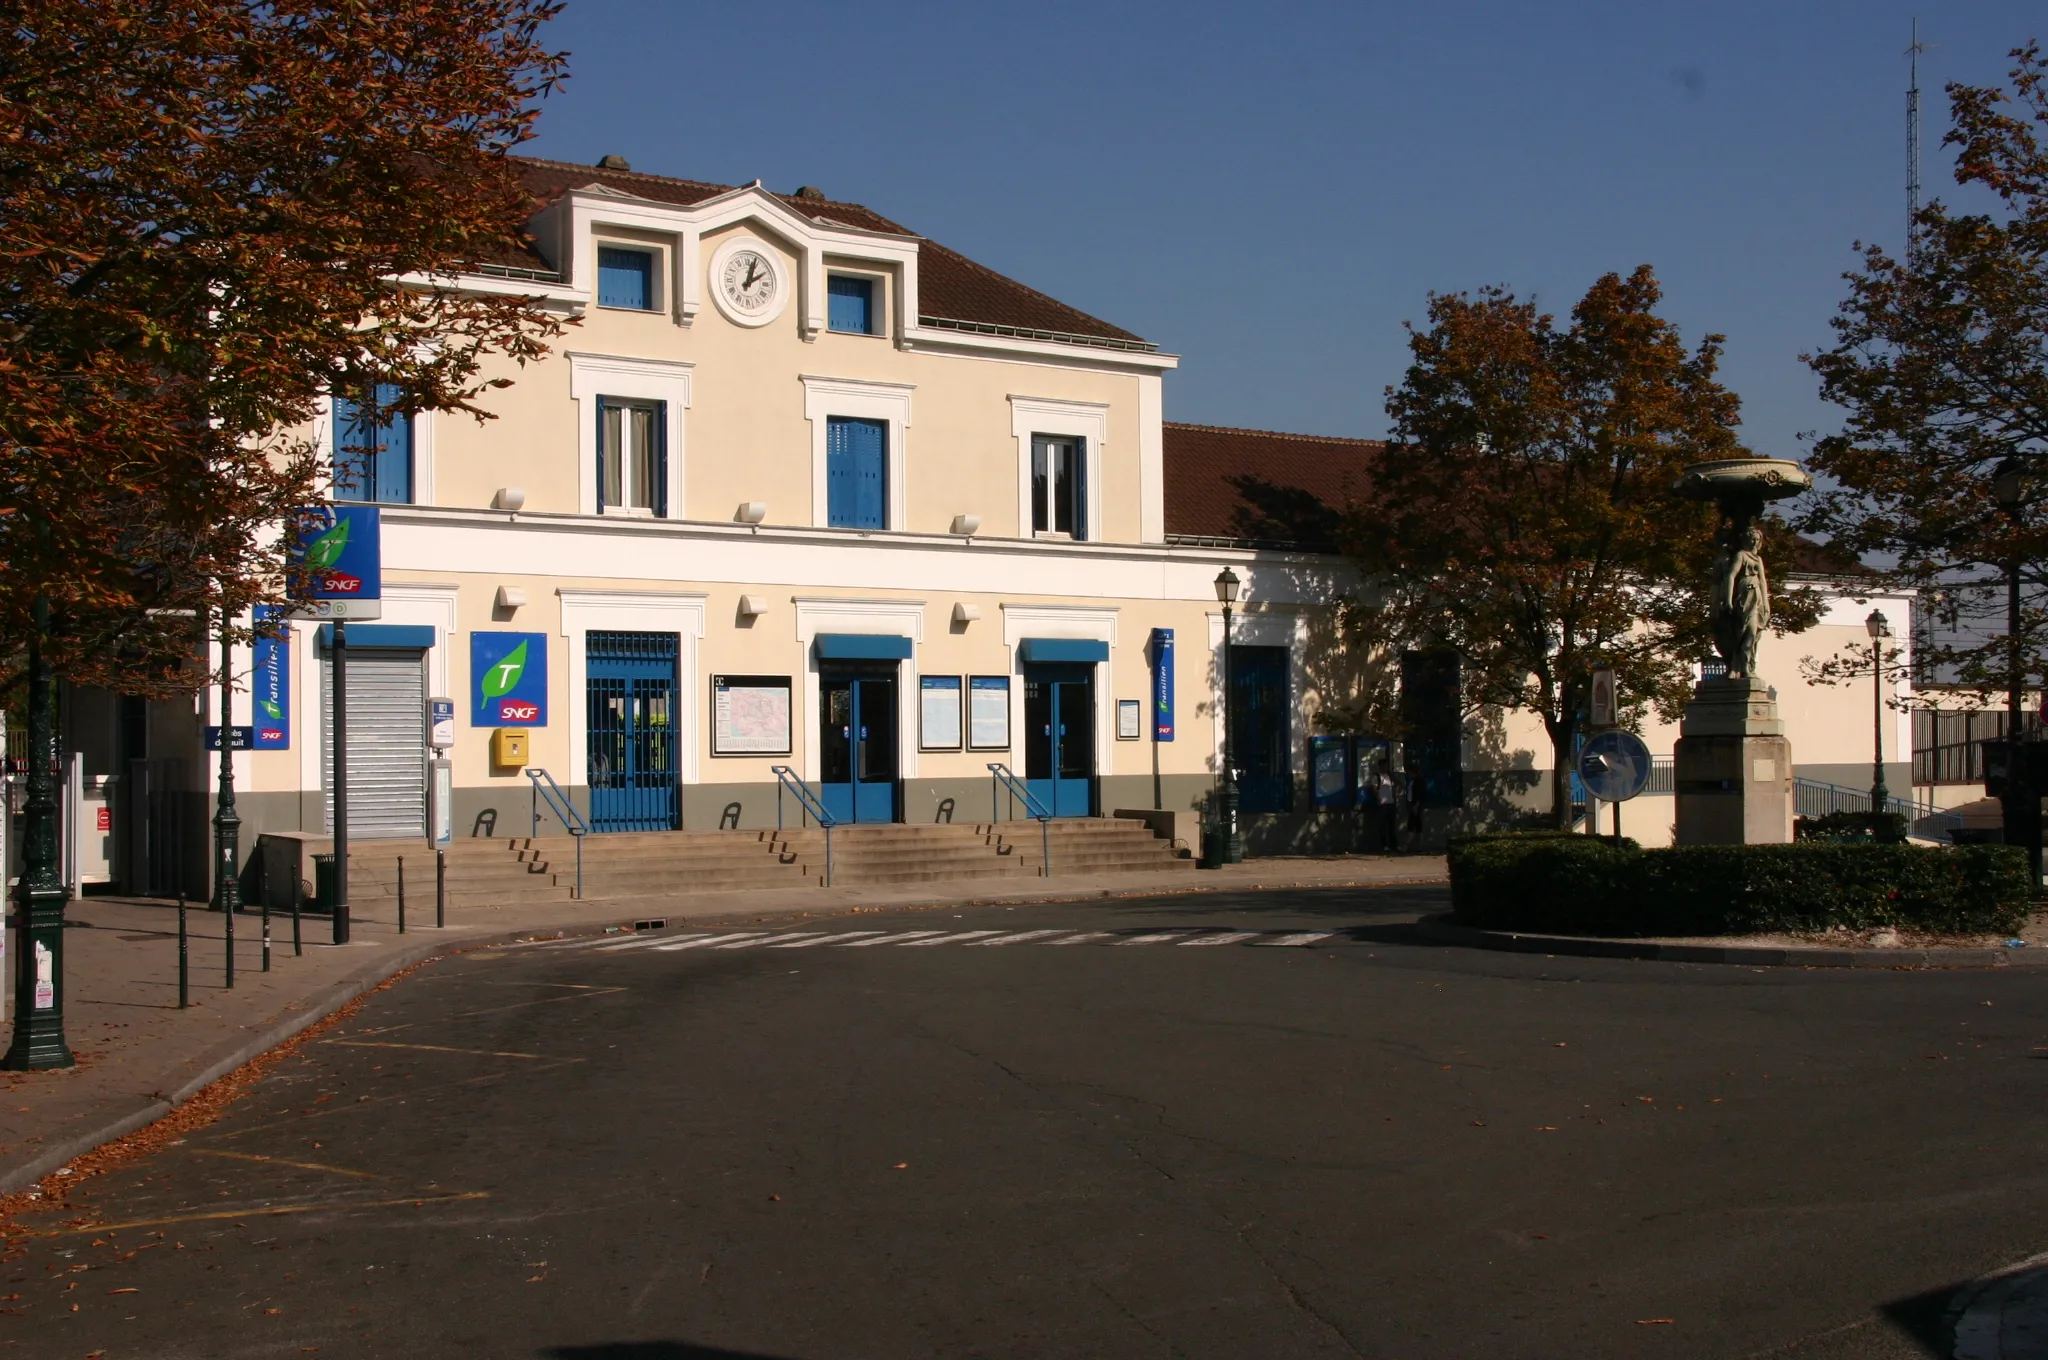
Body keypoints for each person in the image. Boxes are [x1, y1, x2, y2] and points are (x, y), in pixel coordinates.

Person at [1371, 763, 1398, 852]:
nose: (1385, 768)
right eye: (1384, 766)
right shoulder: (1377, 777)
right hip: (1382, 804)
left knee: (1391, 825)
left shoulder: (1389, 776)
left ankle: (1393, 845)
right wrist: (1378, 799)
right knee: (1382, 825)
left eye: (1387, 767)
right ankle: (1384, 845)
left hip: (1390, 803)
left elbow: (1395, 785)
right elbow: (1374, 789)